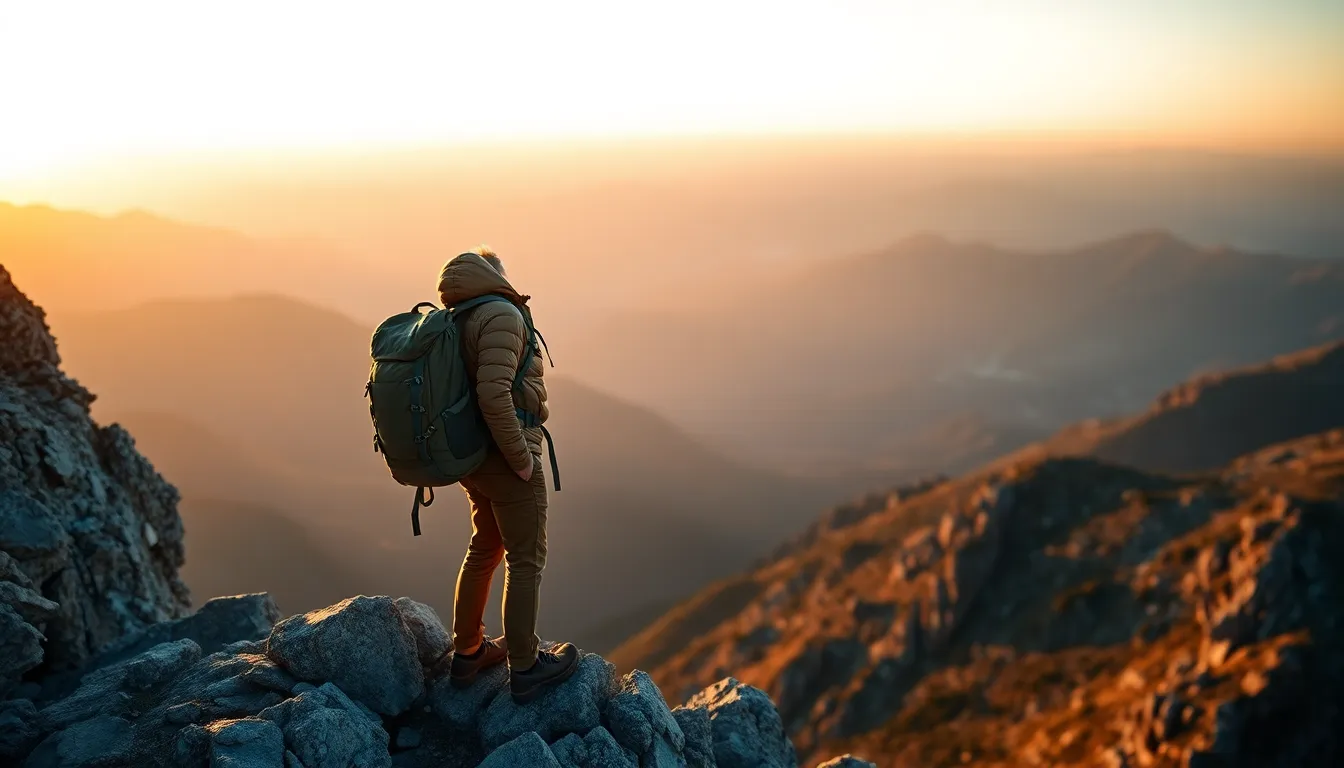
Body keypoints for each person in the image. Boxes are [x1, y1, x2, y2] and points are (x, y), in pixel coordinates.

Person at [433, 246, 577, 703]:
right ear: (495, 275)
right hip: (504, 456)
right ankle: (526, 666)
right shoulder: (502, 315)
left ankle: (469, 652)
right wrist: (521, 459)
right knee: (526, 559)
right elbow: (494, 395)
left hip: (473, 457)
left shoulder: (458, 314)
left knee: (486, 546)